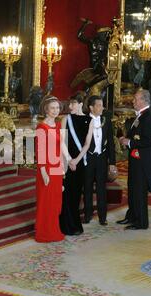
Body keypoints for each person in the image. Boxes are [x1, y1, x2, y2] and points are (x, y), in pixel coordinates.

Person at [70, 96, 117, 226]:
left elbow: (111, 142)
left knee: (102, 188)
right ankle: (88, 215)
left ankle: (103, 217)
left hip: (101, 158)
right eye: (99, 105)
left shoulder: (105, 120)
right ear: (91, 107)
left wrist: (112, 162)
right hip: (88, 158)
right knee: (88, 187)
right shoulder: (84, 120)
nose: (102, 108)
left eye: (102, 105)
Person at [117, 89, 151, 230]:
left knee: (139, 191)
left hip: (143, 161)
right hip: (135, 159)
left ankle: (141, 222)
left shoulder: (149, 117)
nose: (133, 101)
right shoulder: (141, 116)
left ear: (143, 101)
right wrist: (125, 139)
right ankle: (132, 216)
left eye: (135, 99)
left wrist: (128, 142)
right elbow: (135, 135)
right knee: (133, 189)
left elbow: (148, 141)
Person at [35, 96, 65, 243]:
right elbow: (40, 152)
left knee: (55, 202)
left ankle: (54, 230)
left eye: (57, 108)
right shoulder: (41, 127)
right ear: (46, 110)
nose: (55, 111)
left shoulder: (58, 126)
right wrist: (43, 172)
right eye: (52, 108)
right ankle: (44, 233)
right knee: (46, 201)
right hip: (46, 168)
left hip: (56, 168)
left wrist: (62, 168)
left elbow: (59, 149)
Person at [59, 93, 89, 235]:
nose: (70, 106)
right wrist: (70, 159)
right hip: (67, 161)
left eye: (73, 104)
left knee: (77, 194)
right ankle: (65, 225)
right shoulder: (66, 119)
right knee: (67, 194)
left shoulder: (90, 120)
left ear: (80, 104)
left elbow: (87, 144)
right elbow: (62, 141)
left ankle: (75, 224)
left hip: (80, 162)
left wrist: (76, 160)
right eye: (70, 104)